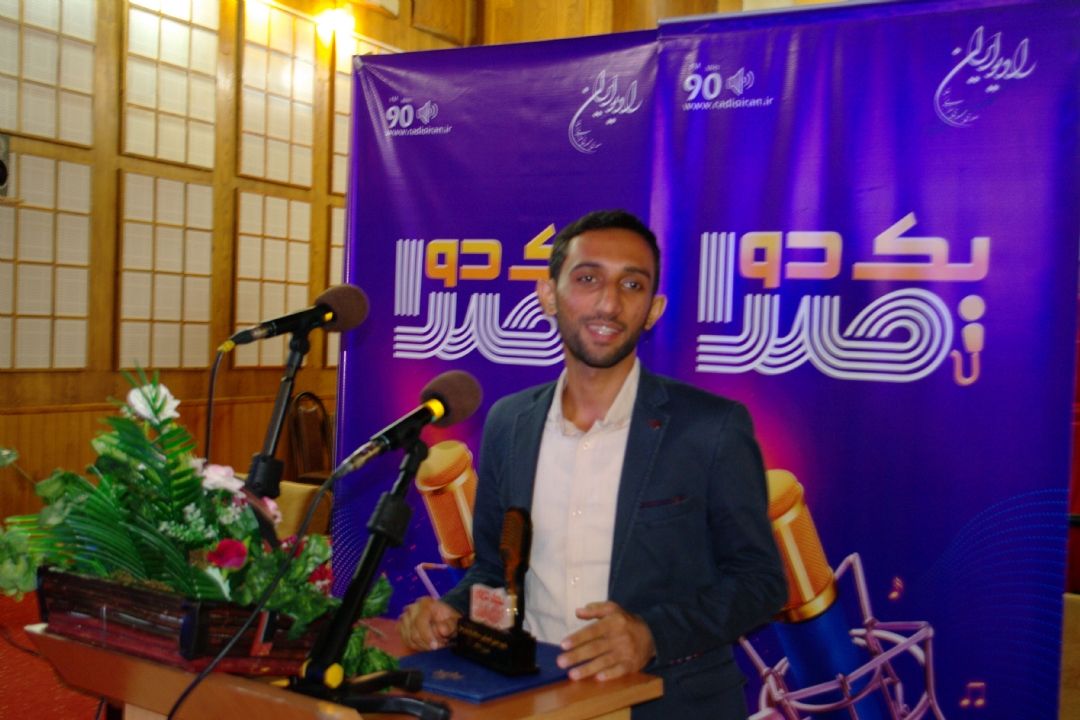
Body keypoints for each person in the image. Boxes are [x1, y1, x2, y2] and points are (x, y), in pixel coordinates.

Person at [399, 209, 786, 718]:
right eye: (587, 279)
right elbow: (494, 568)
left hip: (664, 702)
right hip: (528, 697)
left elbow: (761, 581)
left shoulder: (711, 427)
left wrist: (651, 635)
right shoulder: (509, 423)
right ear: (547, 295)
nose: (609, 303)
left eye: (632, 284)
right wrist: (450, 612)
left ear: (653, 309)